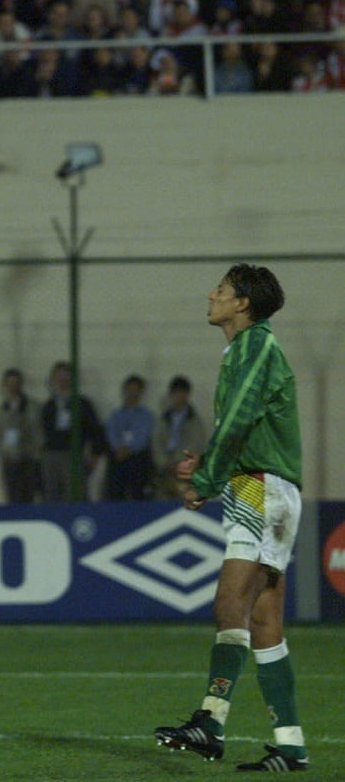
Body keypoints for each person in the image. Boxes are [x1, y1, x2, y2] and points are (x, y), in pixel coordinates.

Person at [154, 264, 308, 772]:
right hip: (258, 486)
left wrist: (205, 481)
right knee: (264, 620)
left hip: (261, 489)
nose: (211, 295)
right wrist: (211, 467)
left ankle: (211, 721)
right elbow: (244, 426)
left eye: (220, 290)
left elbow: (240, 418)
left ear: (242, 304)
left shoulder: (257, 345)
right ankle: (290, 745)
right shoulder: (244, 351)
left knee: (229, 602)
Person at [39, 360, 106, 502]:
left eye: (66, 375)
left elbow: (95, 430)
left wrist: (95, 453)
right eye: (59, 376)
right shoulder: (48, 406)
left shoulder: (82, 404)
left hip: (73, 455)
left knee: (75, 494)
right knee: (52, 495)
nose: (62, 380)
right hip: (51, 455)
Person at [0, 367, 43, 504]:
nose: (13, 387)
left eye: (16, 383)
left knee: (30, 497)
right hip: (9, 462)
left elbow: (39, 433)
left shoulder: (33, 408)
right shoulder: (0, 412)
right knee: (12, 499)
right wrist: (1, 454)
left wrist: (32, 452)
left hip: (29, 460)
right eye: (9, 383)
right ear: (4, 385)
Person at [151, 374, 208, 500]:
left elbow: (196, 444)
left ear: (188, 395)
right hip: (165, 468)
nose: (180, 397)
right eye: (176, 394)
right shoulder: (163, 419)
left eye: (183, 394)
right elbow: (156, 443)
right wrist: (164, 462)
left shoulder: (195, 421)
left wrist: (179, 462)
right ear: (171, 395)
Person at [102, 374, 155, 501]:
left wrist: (129, 449)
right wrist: (118, 448)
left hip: (137, 458)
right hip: (118, 457)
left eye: (135, 389)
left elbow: (143, 436)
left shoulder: (146, 415)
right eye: (129, 389)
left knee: (139, 491)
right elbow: (111, 433)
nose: (132, 392)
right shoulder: (116, 414)